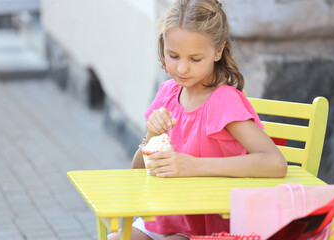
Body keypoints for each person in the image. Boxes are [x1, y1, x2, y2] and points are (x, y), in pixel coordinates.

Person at [108, 0, 287, 239]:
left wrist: (193, 166)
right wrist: (150, 136)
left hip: (206, 225)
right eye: (173, 56)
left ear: (218, 51)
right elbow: (138, 172)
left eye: (194, 59)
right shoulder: (167, 93)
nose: (181, 69)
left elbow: (275, 163)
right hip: (164, 217)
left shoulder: (223, 101)